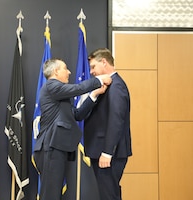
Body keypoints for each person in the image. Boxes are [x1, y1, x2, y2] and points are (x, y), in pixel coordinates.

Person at [32, 58, 111, 200]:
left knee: (53, 193)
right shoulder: (52, 86)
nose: (69, 72)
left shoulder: (59, 93)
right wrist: (99, 79)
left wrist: (94, 95)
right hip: (50, 147)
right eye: (65, 68)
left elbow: (77, 115)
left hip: (56, 147)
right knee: (50, 195)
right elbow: (78, 89)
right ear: (56, 71)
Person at [76, 48, 132, 200]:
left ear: (104, 62)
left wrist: (108, 152)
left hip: (108, 153)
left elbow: (116, 120)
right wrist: (94, 94)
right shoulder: (104, 86)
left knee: (109, 195)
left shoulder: (117, 86)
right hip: (100, 151)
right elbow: (81, 114)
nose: (92, 72)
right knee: (109, 193)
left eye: (93, 67)